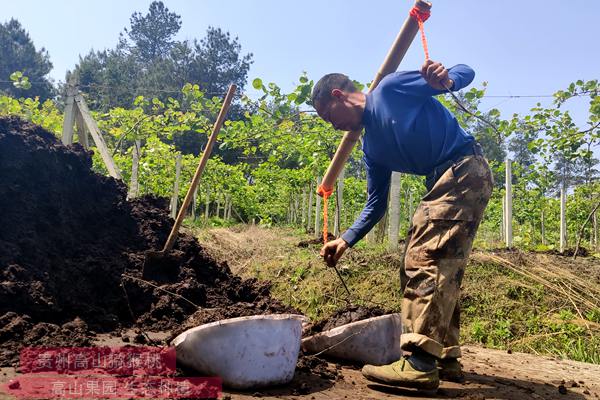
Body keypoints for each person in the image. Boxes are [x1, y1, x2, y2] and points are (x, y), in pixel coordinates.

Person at [312, 60, 493, 390]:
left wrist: (447, 78)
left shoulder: (391, 90)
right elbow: (375, 204)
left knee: (424, 260)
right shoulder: (372, 149)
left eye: (329, 117)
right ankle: (444, 357)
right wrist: (345, 240)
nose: (333, 127)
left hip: (464, 169)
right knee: (440, 264)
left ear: (338, 95)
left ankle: (420, 363)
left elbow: (466, 70)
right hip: (445, 181)